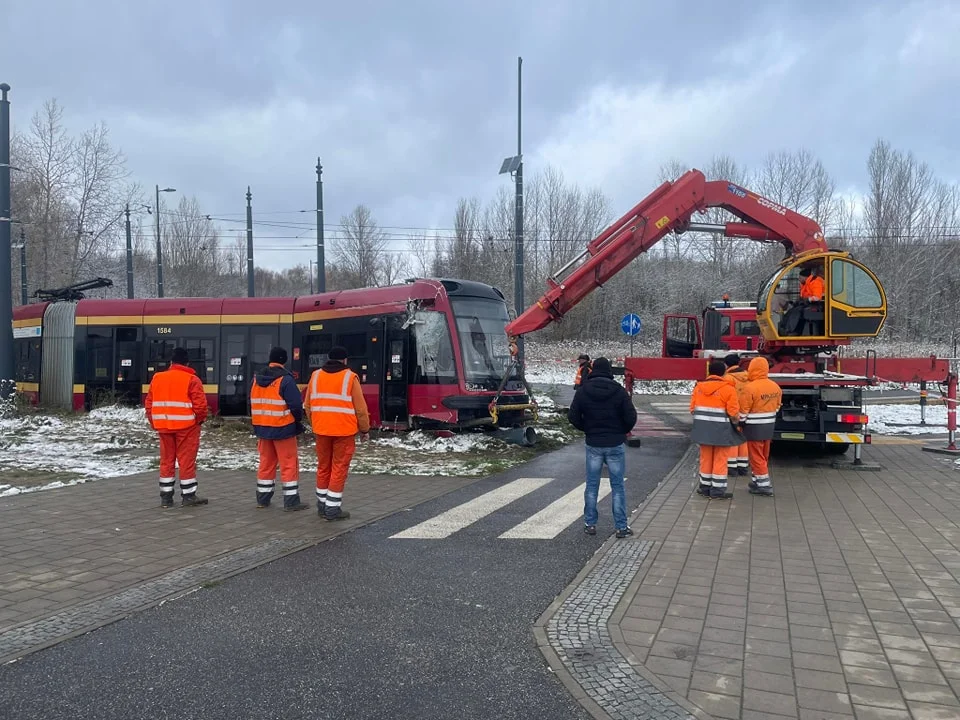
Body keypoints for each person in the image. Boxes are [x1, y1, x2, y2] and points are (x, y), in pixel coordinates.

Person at [567, 357, 638, 538]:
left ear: (593, 370)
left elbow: (573, 416)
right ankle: (621, 527)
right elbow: (631, 416)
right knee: (618, 486)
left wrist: (588, 429)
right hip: (615, 444)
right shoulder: (619, 391)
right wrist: (621, 431)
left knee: (592, 485)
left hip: (594, 444)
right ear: (609, 372)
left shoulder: (583, 391)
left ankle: (590, 524)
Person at [306, 346, 370, 521]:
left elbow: (308, 405)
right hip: (344, 431)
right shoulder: (350, 377)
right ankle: (332, 509)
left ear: (328, 358)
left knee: (323, 466)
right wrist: (364, 429)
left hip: (321, 430)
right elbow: (361, 409)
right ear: (345, 360)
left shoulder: (316, 376)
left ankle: (322, 505)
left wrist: (316, 423)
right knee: (339, 468)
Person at [145, 346, 209, 508]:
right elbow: (200, 407)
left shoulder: (157, 378)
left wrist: (155, 422)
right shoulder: (192, 380)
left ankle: (166, 497)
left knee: (166, 461)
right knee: (186, 461)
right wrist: (198, 421)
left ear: (171, 362)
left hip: (164, 427)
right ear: (187, 363)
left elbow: (149, 404)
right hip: (187, 427)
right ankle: (188, 496)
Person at [250, 346, 309, 511]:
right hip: (283, 428)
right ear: (284, 360)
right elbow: (296, 405)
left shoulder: (256, 379)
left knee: (266, 463)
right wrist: (297, 420)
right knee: (289, 463)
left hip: (262, 427)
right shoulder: (286, 379)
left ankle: (263, 499)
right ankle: (291, 501)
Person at [689, 360, 743, 500]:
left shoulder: (698, 387)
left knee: (705, 458)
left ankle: (704, 487)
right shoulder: (728, 389)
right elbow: (733, 413)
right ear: (723, 373)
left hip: (702, 429)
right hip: (721, 431)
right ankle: (717, 490)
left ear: (710, 372)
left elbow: (692, 409)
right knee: (720, 459)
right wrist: (737, 423)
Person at [740, 357, 782, 497]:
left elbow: (743, 410)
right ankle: (757, 481)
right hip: (768, 426)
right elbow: (777, 407)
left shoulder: (750, 387)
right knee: (764, 455)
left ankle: (764, 486)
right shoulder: (775, 386)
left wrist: (740, 422)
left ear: (752, 368)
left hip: (753, 428)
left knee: (756, 457)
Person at [723, 354, 750, 478]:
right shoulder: (748, 376)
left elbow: (727, 396)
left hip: (733, 412)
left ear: (727, 364)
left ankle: (732, 467)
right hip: (746, 412)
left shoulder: (728, 378)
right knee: (743, 439)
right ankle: (743, 466)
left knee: (733, 439)